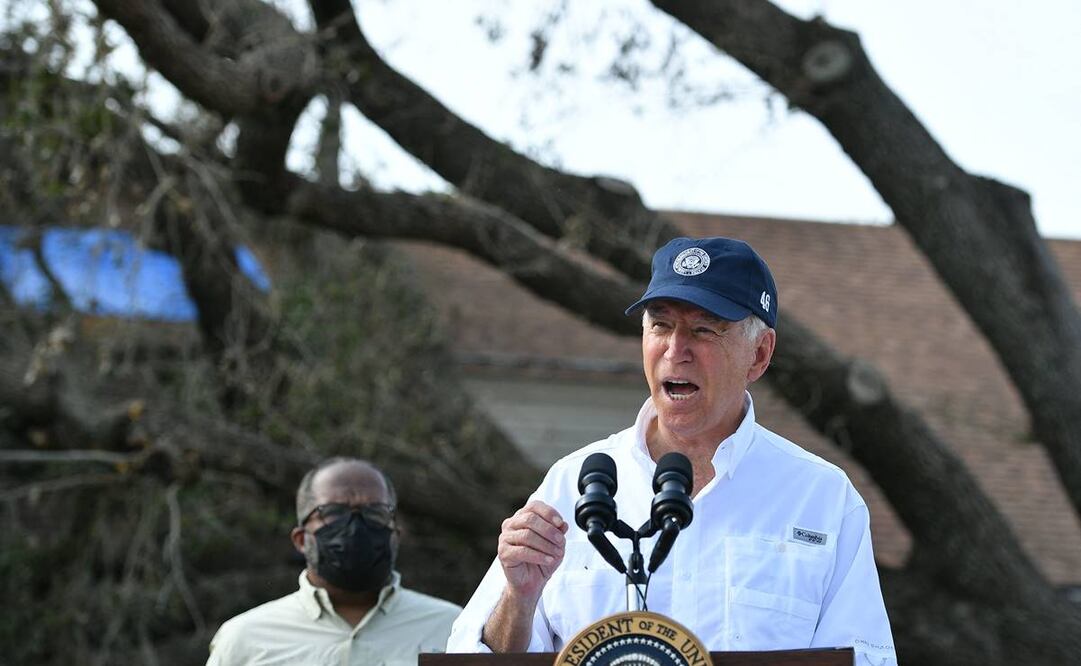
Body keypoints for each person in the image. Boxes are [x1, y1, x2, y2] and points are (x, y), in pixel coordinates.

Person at [447, 237, 897, 664]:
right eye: (660, 326)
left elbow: (864, 659)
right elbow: (470, 657)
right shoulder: (572, 483)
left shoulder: (821, 498)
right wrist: (519, 600)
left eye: (704, 330)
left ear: (759, 355)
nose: (676, 350)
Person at [207, 457, 461, 665]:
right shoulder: (245, 640)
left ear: (395, 533)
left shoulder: (453, 629)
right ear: (300, 539)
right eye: (333, 513)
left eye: (375, 512)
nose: (355, 526)